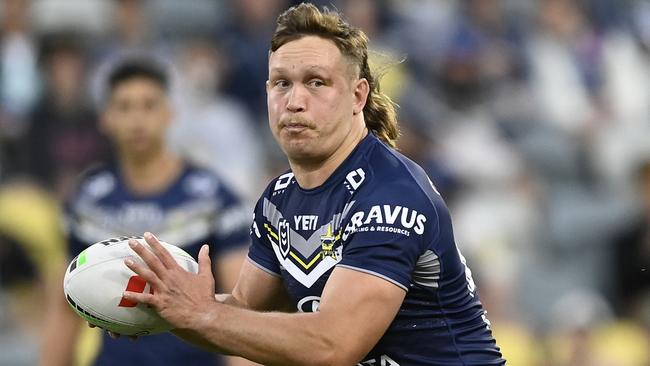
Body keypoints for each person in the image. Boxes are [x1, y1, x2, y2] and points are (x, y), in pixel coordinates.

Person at [119, 4, 505, 365]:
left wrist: (200, 313)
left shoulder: (390, 195)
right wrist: (161, 307)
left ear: (358, 96)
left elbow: (333, 344)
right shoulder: (277, 199)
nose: (294, 101)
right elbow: (241, 314)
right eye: (281, 84)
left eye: (316, 82)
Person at [40, 58, 253, 366]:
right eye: (124, 107)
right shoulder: (87, 200)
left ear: (169, 114)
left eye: (149, 105)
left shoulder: (213, 198)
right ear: (106, 118)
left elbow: (241, 307)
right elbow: (63, 308)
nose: (137, 119)